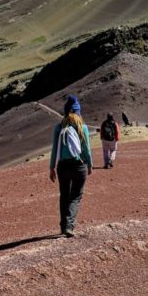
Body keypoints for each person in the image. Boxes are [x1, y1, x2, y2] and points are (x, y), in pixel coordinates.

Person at [48, 94, 93, 237]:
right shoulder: (82, 127)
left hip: (63, 167)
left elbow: (55, 148)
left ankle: (63, 226)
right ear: (78, 111)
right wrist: (90, 165)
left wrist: (52, 167)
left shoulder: (59, 127)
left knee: (65, 196)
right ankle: (69, 225)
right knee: (76, 196)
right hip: (79, 166)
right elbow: (87, 149)